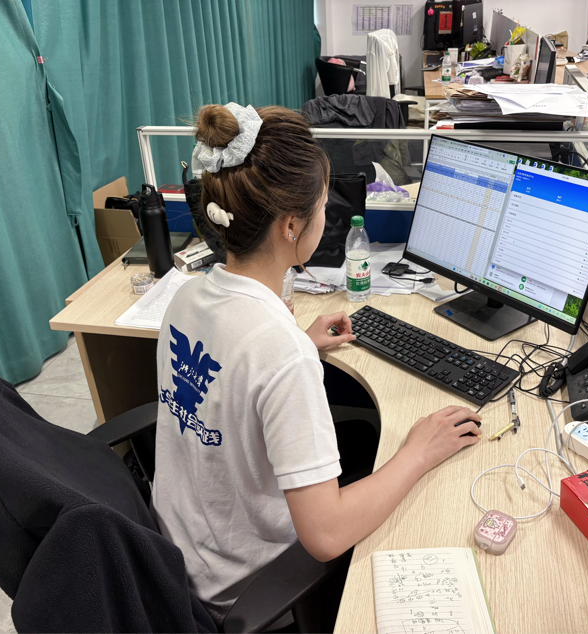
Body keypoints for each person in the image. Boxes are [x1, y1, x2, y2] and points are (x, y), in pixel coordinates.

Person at [152, 102, 483, 626]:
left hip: (183, 557)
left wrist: (300, 344)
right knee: (398, 472)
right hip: (244, 589)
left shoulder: (186, 299)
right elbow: (326, 536)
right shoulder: (278, 353)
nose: (327, 215)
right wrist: (419, 451)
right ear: (291, 226)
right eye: (324, 204)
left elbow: (226, 381)